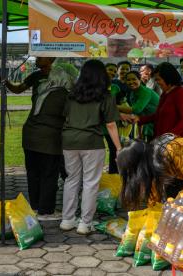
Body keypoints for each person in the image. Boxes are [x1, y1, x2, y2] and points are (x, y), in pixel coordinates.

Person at [60, 60, 122, 235]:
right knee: (90, 183)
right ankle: (85, 223)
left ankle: (67, 220)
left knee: (71, 180)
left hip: (69, 141)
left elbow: (65, 116)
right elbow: (111, 124)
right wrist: (118, 147)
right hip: (92, 143)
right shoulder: (105, 96)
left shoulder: (72, 94)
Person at [21, 61, 77, 221]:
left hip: (30, 137)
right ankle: (46, 211)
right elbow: (70, 117)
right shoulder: (64, 95)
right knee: (49, 174)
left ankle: (36, 206)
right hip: (49, 140)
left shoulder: (42, 89)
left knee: (33, 173)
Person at [131, 62, 183, 138]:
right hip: (162, 140)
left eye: (158, 79)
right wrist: (139, 119)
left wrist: (170, 135)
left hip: (176, 142)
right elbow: (158, 115)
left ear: (168, 78)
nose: (156, 82)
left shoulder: (180, 93)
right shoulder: (165, 93)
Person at [119, 71, 159, 142]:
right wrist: (140, 135)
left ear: (139, 79)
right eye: (128, 80)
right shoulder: (132, 94)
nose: (131, 82)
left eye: (134, 79)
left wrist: (114, 107)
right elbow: (138, 116)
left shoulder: (145, 92)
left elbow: (136, 109)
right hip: (148, 126)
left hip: (158, 125)